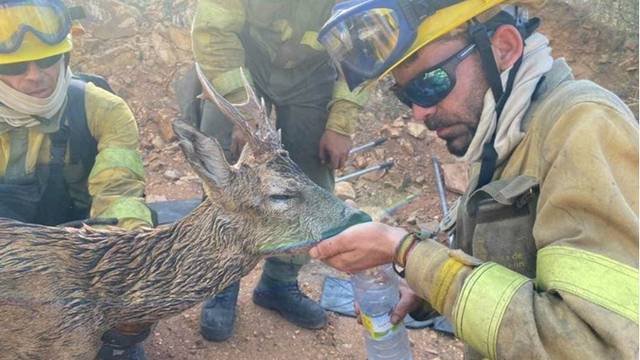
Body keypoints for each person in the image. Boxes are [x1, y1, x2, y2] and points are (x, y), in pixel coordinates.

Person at [310, 1, 639, 359]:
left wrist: (407, 251)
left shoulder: (584, 128)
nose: (419, 113)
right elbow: (510, 271)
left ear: (504, 48)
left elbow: (593, 345)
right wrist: (424, 289)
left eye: (430, 84)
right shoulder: (504, 136)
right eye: (406, 97)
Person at [190, 0, 369, 342]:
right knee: (224, 173)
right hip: (243, 59)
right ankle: (221, 281)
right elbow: (213, 30)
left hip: (313, 71)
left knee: (309, 178)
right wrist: (241, 104)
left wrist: (341, 122)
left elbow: (363, 43)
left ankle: (279, 282)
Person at [0, 1, 154, 359]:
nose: (35, 76)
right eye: (15, 66)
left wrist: (130, 260)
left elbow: (120, 191)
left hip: (85, 257)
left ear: (67, 55)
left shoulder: (104, 109)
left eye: (48, 61)